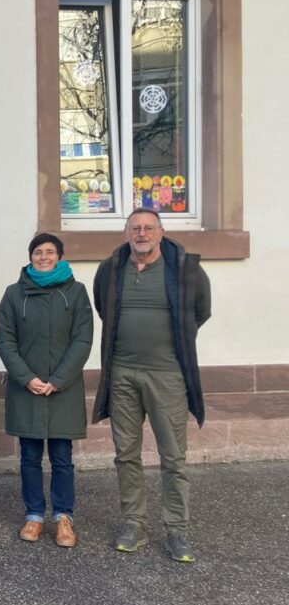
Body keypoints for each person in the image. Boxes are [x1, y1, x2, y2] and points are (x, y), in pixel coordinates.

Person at [93, 208, 211, 562]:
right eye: (135, 228)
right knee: (126, 455)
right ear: (125, 232)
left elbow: (200, 312)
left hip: (167, 375)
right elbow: (104, 308)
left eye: (148, 228)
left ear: (161, 232)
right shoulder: (111, 269)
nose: (141, 234)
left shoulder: (186, 270)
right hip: (123, 374)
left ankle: (177, 531)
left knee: (173, 457)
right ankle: (135, 525)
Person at [0, 233, 93, 547]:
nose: (44, 257)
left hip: (63, 389)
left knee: (63, 458)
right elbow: (5, 341)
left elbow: (83, 339)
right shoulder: (14, 294)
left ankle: (64, 517)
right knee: (30, 457)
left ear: (60, 257)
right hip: (28, 389)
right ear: (30, 257)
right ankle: (34, 516)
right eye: (38, 252)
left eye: (50, 252)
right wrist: (26, 377)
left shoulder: (76, 293)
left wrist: (59, 379)